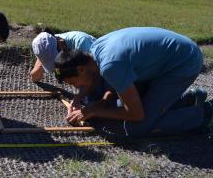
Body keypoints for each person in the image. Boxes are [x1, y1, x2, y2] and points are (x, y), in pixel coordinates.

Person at [54, 27, 212, 136]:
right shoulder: (95, 51)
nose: (76, 87)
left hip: (184, 63)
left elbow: (136, 114)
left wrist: (93, 111)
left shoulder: (110, 65)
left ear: (81, 69)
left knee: (139, 127)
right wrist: (102, 102)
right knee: (119, 105)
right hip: (168, 58)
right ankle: (190, 99)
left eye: (72, 82)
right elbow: (113, 86)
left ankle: (205, 113)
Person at [31, 31, 105, 111]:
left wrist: (78, 97)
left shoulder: (82, 44)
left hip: (102, 73)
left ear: (61, 43)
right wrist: (41, 65)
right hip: (85, 74)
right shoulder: (47, 46)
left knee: (98, 98)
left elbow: (95, 75)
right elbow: (34, 77)